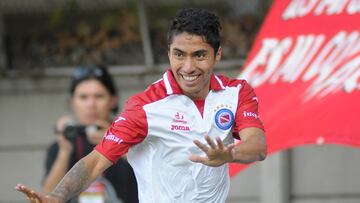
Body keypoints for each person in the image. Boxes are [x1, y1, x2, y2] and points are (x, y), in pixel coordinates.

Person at [16, 8, 267, 203]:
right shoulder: (145, 106)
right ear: (169, 53)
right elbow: (95, 161)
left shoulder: (236, 92)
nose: (188, 67)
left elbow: (258, 146)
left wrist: (230, 154)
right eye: (179, 54)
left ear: (217, 55)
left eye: (199, 55)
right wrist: (57, 197)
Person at [41, 65, 138, 203]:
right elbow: (46, 198)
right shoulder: (61, 146)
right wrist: (64, 151)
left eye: (99, 96)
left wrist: (116, 143)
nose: (91, 104)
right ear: (72, 102)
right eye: (83, 97)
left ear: (113, 100)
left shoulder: (133, 139)